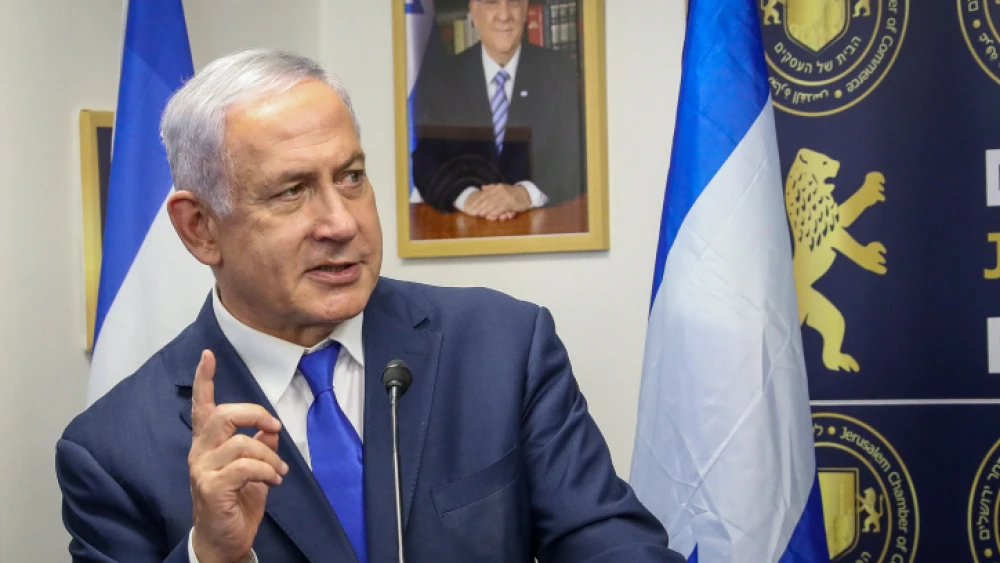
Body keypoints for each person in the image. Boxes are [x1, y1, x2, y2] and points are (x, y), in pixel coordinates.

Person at [56, 49, 683, 563]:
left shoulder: (502, 346)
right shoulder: (112, 453)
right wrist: (209, 556)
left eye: (351, 176)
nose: (341, 222)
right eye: (292, 190)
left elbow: (615, 545)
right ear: (200, 229)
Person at [410, 0, 583, 220]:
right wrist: (469, 198)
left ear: (526, 8)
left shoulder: (559, 72)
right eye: (492, 2)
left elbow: (574, 160)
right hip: (466, 231)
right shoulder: (443, 79)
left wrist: (524, 194)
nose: (504, 15)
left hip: (541, 230)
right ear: (474, 10)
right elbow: (426, 163)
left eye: (513, 3)